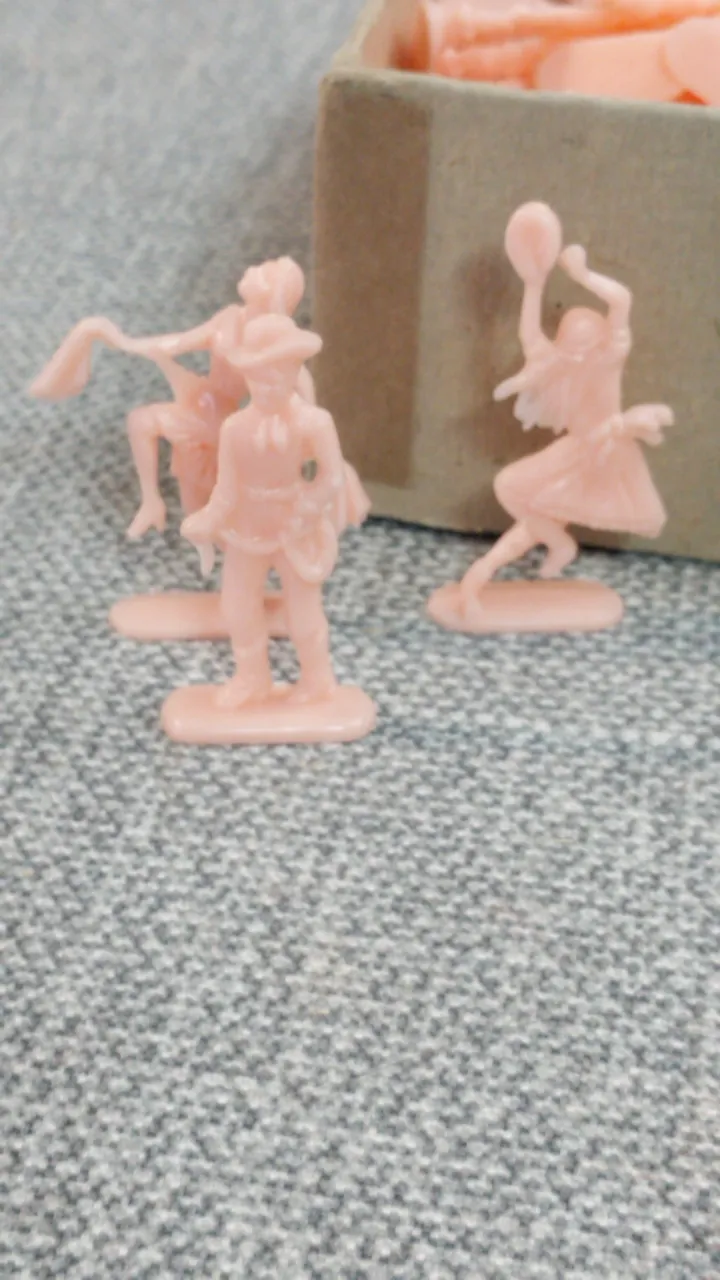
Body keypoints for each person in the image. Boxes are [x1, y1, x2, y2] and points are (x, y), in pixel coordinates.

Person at [460, 219, 671, 610]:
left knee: (520, 496)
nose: (577, 351)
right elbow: (530, 337)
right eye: (572, 343)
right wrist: (533, 284)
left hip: (604, 454)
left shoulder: (608, 360)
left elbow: (621, 300)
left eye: (585, 341)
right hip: (578, 450)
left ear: (600, 342)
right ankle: (534, 554)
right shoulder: (559, 364)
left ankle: (511, 562)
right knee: (523, 499)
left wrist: (582, 274)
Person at [182, 314, 347, 708]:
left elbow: (332, 477)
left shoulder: (314, 422)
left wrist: (308, 509)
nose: (265, 387)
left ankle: (318, 680)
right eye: (257, 379)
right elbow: (227, 487)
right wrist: (208, 519)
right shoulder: (235, 428)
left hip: (295, 528)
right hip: (247, 529)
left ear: (293, 374)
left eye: (275, 377)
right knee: (237, 606)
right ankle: (252, 678)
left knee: (303, 610)